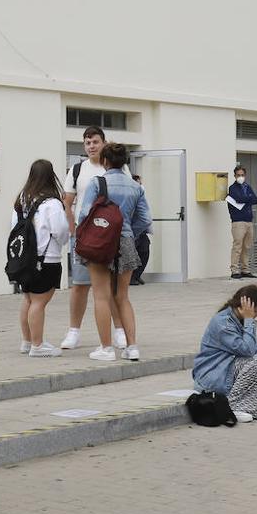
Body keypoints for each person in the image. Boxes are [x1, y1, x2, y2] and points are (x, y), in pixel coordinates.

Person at [75, 142, 151, 362]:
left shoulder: (97, 183)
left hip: (100, 242)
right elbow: (145, 219)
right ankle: (132, 347)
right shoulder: (135, 186)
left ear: (105, 161)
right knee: (123, 297)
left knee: (101, 296)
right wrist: (129, 233)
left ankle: (106, 348)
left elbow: (85, 213)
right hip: (126, 242)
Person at [61, 126, 127, 350]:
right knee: (80, 285)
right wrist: (73, 230)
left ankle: (119, 330)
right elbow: (67, 202)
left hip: (111, 236)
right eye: (87, 143)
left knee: (110, 287)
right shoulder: (77, 169)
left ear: (104, 143)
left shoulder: (118, 169)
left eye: (95, 142)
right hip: (85, 236)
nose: (91, 146)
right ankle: (73, 331)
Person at [192, 285, 257, 423]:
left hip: (228, 368)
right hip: (213, 375)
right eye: (256, 311)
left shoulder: (240, 320)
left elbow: (253, 347)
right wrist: (249, 321)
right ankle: (236, 406)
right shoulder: (222, 322)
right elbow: (247, 350)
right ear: (244, 306)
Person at [11, 159, 70, 357]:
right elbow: (61, 230)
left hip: (23, 260)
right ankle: (38, 345)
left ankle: (27, 342)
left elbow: (14, 227)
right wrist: (63, 242)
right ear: (50, 176)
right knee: (39, 302)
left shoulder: (21, 200)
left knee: (28, 300)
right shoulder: (51, 203)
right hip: (46, 259)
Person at [227, 165, 257, 280]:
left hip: (248, 221)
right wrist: (247, 198)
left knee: (247, 246)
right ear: (235, 176)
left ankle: (245, 270)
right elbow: (238, 199)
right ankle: (235, 270)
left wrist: (245, 198)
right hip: (238, 221)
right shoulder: (232, 188)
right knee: (237, 246)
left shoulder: (247, 187)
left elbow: (255, 199)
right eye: (238, 175)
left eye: (242, 175)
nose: (240, 177)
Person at [130, 174, 150, 286]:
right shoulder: (130, 194)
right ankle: (131, 277)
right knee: (131, 253)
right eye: (138, 182)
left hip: (140, 229)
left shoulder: (140, 194)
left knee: (144, 250)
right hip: (131, 228)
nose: (140, 185)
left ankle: (136, 275)